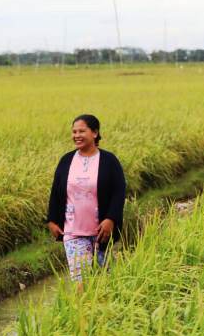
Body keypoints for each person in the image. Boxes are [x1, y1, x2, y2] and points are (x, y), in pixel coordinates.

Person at [46, 114, 126, 282]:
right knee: (81, 282)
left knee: (104, 281)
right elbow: (56, 191)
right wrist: (52, 220)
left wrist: (111, 219)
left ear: (95, 133)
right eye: (74, 132)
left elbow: (119, 191)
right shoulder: (66, 160)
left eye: (82, 131)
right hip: (73, 230)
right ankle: (81, 307)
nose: (76, 135)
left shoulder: (109, 161)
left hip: (101, 232)